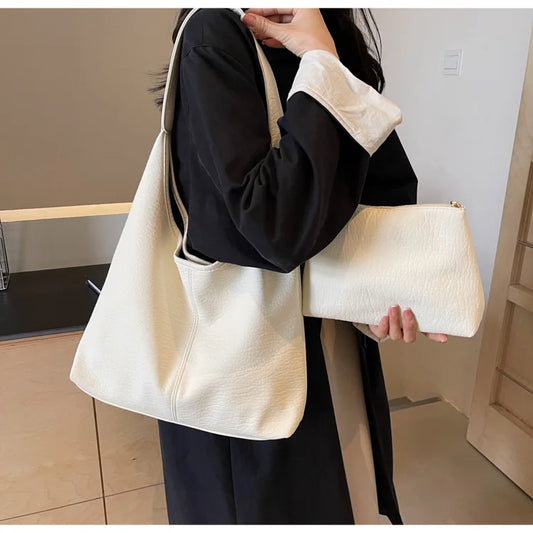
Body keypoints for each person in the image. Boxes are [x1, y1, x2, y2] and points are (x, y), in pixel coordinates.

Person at [149, 7, 447, 525]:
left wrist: (379, 296)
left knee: (347, 499)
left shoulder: (324, 29)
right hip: (251, 359)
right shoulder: (216, 30)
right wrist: (321, 62)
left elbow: (379, 189)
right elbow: (274, 227)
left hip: (334, 350)